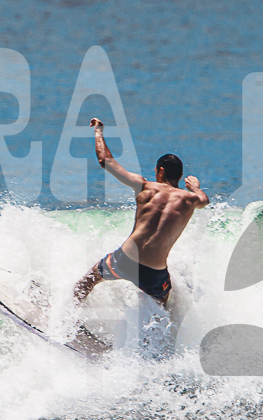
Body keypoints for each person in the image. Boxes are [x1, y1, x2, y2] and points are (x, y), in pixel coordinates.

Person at [73, 117, 209, 306]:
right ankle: (158, 326)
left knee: (90, 279)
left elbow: (105, 161)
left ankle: (65, 317)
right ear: (179, 176)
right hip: (155, 271)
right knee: (163, 304)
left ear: (161, 171)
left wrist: (98, 131)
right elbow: (204, 200)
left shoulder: (145, 187)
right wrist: (194, 187)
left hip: (125, 260)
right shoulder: (190, 199)